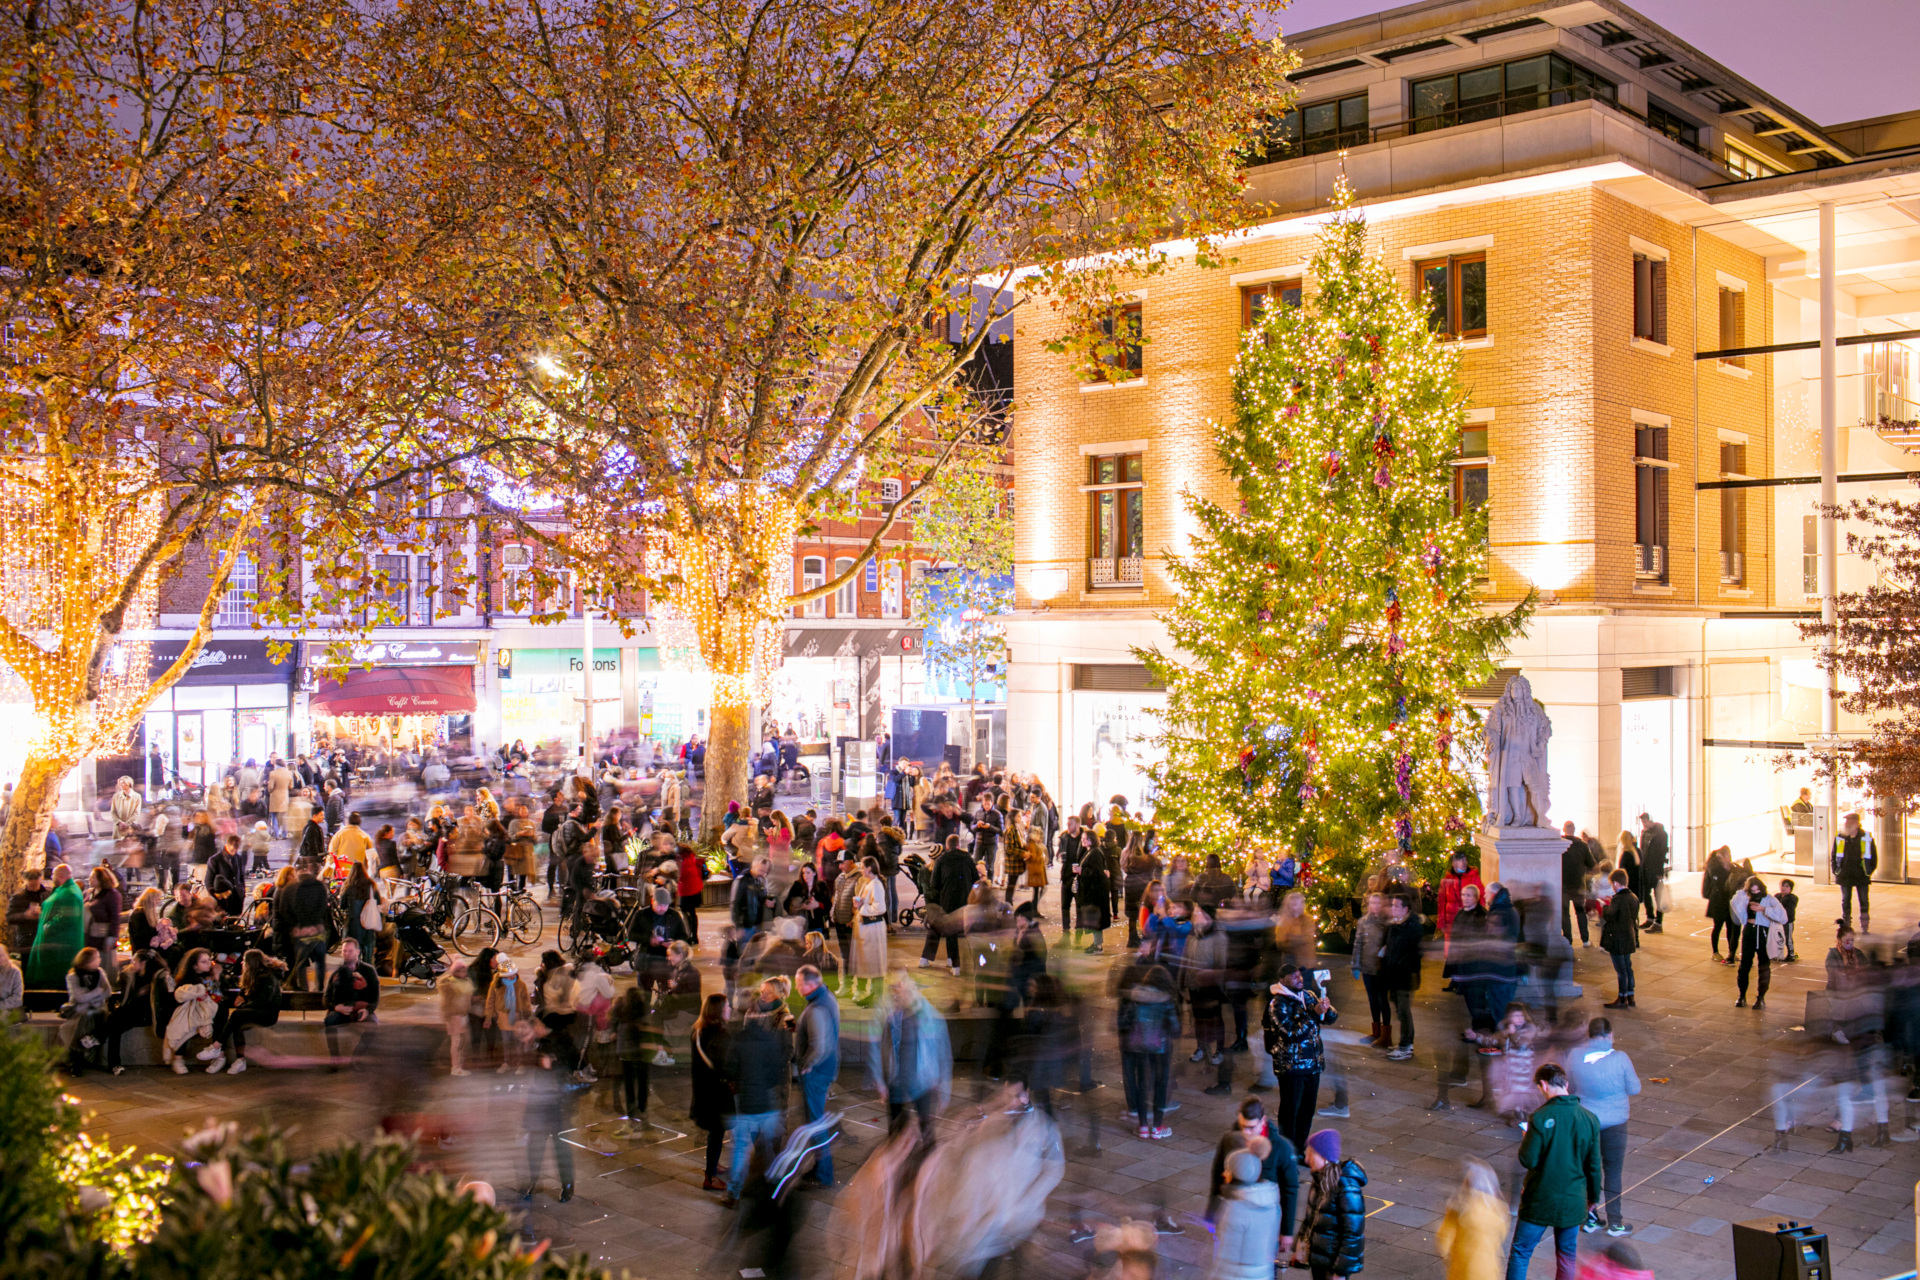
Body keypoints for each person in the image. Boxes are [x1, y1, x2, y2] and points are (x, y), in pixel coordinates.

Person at [1507, 1063, 1603, 1280]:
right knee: (1567, 1255)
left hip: (1540, 1197)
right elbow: (1594, 1166)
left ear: (1543, 1084)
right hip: (1573, 1198)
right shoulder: (1589, 1119)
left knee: (1521, 1252)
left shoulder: (1540, 1117)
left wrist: (1526, 1139)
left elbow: (1528, 1159)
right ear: (1566, 1083)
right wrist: (1593, 1197)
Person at [1565, 1017, 1640, 1238]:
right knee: (1613, 1172)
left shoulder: (1576, 1056)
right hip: (1615, 1122)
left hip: (1586, 1120)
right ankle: (1615, 1222)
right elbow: (1634, 1088)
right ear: (1609, 1035)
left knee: (1589, 1169)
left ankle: (1590, 1218)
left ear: (1589, 1035)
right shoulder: (1620, 1059)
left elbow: (1569, 1085)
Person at [722, 979, 793, 1208]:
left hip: (765, 1087)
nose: (763, 996)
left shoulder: (787, 1017)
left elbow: (789, 1050)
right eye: (761, 992)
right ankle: (771, 1184)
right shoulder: (752, 1014)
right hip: (764, 1087)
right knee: (763, 1140)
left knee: (755, 1143)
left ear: (779, 994)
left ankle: (745, 1188)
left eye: (768, 993)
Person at [1208, 1096, 1300, 1256]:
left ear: (1262, 1121)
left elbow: (1290, 1189)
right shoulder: (1229, 1141)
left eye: (1251, 1127)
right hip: (1234, 1217)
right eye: (1242, 1126)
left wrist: (1286, 1231)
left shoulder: (1280, 1148)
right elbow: (1217, 1176)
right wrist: (1212, 1212)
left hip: (1264, 1222)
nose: (1245, 1133)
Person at [1264, 960, 1337, 1155]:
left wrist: (1326, 1009)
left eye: (1300, 975)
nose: (1300, 979)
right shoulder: (1277, 1003)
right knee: (1290, 1112)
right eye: (1294, 976)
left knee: (1307, 1111)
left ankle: (1301, 1148)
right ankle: (1288, 1153)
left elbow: (1330, 1018)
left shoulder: (1309, 995)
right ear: (1282, 979)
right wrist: (1314, 1015)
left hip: (1312, 1064)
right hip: (1291, 1067)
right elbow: (1291, 1034)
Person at [872, 969, 951, 1138]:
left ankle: (927, 1160)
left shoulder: (928, 1017)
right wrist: (880, 1080)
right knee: (895, 1130)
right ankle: (898, 1157)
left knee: (926, 1130)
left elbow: (943, 1054)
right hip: (896, 1081)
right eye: (892, 989)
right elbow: (883, 1049)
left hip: (922, 1082)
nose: (895, 995)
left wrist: (943, 1089)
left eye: (899, 989)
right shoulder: (892, 1018)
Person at [1117, 949, 1180, 1140]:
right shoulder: (1166, 1000)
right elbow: (1175, 1027)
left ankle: (1143, 1126)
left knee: (1142, 1082)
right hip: (1160, 1047)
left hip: (1138, 1045)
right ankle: (1158, 1127)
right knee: (1160, 1083)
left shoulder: (1134, 997)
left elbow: (1123, 1022)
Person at [1292, 1129, 1366, 1280]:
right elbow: (1310, 1219)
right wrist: (1300, 1248)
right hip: (1320, 1260)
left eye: (1311, 1154)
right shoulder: (1320, 1179)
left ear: (1324, 1156)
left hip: (1333, 1266)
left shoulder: (1346, 1187)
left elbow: (1353, 1234)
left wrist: (1340, 1271)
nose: (1306, 1159)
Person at [794, 964, 841, 1186]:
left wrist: (805, 1064)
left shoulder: (815, 1009)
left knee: (815, 1124)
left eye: (799, 983)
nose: (796, 987)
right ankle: (822, 1169)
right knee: (816, 1121)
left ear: (811, 984)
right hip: (827, 1069)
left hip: (816, 1073)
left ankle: (824, 1174)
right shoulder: (827, 997)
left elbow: (819, 1046)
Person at [1208, 1147, 1282, 1280]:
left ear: (1235, 1173)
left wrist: (1215, 1276)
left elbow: (1228, 1254)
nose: (1224, 1173)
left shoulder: (1235, 1208)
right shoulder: (1272, 1202)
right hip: (1264, 1273)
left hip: (1237, 1275)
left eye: (1228, 1169)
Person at [210, 948, 286, 1075]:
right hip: (256, 1010)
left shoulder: (268, 977)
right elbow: (246, 988)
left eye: (245, 961)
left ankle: (217, 1046)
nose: (242, 963)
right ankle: (240, 1060)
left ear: (252, 963)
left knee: (236, 1015)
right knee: (237, 1023)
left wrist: (244, 1006)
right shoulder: (256, 974)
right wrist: (241, 995)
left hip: (267, 1014)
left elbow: (263, 1001)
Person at [522, 1042, 578, 1203]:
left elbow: (569, 1094)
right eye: (542, 1057)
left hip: (558, 1116)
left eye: (546, 1057)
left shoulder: (562, 1073)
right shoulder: (537, 1071)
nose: (543, 1060)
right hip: (540, 1115)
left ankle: (567, 1184)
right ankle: (534, 1181)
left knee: (561, 1150)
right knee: (534, 1149)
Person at [690, 993, 735, 1191]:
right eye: (727, 1007)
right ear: (718, 1011)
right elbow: (723, 1065)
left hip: (703, 1089)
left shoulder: (699, 1030)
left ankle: (713, 1164)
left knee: (714, 1132)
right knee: (717, 1132)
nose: (730, 1009)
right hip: (716, 1091)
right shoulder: (719, 1035)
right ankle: (711, 1177)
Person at [1436, 1158, 1508, 1280]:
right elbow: (1501, 1234)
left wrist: (1447, 1254)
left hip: (1462, 1269)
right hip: (1487, 1270)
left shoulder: (1458, 1208)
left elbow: (1444, 1236)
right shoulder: (1497, 1209)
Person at [921, 835, 977, 974]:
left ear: (946, 846)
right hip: (966, 900)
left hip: (947, 899)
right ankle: (958, 962)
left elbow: (934, 884)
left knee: (950, 930)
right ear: (958, 845)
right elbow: (975, 878)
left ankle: (954, 965)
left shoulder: (941, 860)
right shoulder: (967, 859)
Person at [1731, 875, 1788, 1010]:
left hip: (1763, 933)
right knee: (1745, 965)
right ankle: (1742, 995)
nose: (1756, 894)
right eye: (1753, 891)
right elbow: (1735, 901)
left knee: (1764, 966)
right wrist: (1745, 895)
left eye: (1758, 891)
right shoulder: (1744, 898)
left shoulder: (1769, 900)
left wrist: (1763, 909)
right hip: (1749, 932)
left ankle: (1761, 997)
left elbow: (1783, 917)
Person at [322, 937, 380, 1063]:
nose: (347, 954)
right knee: (329, 1021)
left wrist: (368, 1010)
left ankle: (356, 1057)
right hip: (342, 1010)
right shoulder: (337, 973)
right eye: (344, 951)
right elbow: (326, 998)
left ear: (357, 952)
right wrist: (335, 1007)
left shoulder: (368, 971)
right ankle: (335, 1057)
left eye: (350, 951)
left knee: (373, 1025)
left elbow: (375, 997)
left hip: (361, 1009)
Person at [25, 864, 84, 988]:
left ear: (60, 876)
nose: (51, 878)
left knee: (54, 979)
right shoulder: (63, 889)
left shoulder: (70, 893)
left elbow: (67, 918)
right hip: (54, 942)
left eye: (53, 875)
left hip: (59, 945)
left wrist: (48, 927)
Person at [1380, 893, 1422, 1061]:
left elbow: (1413, 953)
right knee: (1399, 1010)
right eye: (1392, 905)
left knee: (1404, 1011)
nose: (1392, 908)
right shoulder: (1394, 925)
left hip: (1405, 976)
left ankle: (1406, 1046)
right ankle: (1404, 1043)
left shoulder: (1412, 926)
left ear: (1405, 909)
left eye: (1396, 906)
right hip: (1394, 975)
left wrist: (1399, 965)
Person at [62, 946, 111, 1075]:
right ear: (88, 961)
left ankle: (87, 1054)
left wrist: (90, 997)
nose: (99, 960)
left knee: (100, 1018)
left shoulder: (100, 973)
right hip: (81, 1011)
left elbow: (107, 991)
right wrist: (96, 992)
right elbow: (78, 997)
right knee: (81, 1025)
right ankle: (76, 1063)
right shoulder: (73, 976)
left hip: (98, 1008)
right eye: (96, 958)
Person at [849, 857, 890, 1001]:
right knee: (866, 960)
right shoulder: (869, 883)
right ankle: (867, 991)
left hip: (872, 929)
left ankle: (875, 992)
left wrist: (862, 908)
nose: (860, 870)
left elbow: (880, 907)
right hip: (866, 929)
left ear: (869, 868)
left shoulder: (876, 885)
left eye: (862, 867)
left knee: (872, 961)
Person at [1598, 869, 1639, 1010]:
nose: (1612, 887)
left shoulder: (1618, 899)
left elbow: (1610, 916)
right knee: (1628, 967)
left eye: (1612, 884)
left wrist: (1604, 907)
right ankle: (1630, 996)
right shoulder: (1633, 897)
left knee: (1621, 970)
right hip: (1629, 937)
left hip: (1617, 939)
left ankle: (1621, 998)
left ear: (1616, 883)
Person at [1831, 811, 1877, 932]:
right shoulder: (1840, 837)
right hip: (1845, 875)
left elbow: (1874, 857)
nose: (1847, 824)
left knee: (1864, 901)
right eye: (1846, 822)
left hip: (1861, 876)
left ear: (1857, 823)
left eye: (1850, 822)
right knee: (1845, 902)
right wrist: (1836, 870)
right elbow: (1834, 855)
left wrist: (1868, 871)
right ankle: (1847, 926)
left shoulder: (1866, 837)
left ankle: (1864, 926)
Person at [84, 865, 124, 981]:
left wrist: (111, 938)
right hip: (89, 935)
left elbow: (115, 918)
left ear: (102, 880)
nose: (90, 880)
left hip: (102, 937)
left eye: (93, 878)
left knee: (104, 964)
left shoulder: (112, 895)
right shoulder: (90, 893)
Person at [1558, 821, 1594, 947]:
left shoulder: (1558, 844)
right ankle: (1585, 940)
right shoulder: (1582, 845)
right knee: (1580, 912)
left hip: (1562, 885)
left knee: (1564, 913)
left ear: (1564, 829)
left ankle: (1568, 940)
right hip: (1578, 884)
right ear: (1574, 829)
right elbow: (1591, 864)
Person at [1437, 849, 1484, 940]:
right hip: (1451, 922)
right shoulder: (1446, 880)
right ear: (1454, 863)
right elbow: (1441, 902)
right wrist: (1441, 923)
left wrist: (1478, 916)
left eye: (1465, 860)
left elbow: (1481, 896)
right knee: (1451, 949)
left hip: (1469, 920)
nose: (1465, 862)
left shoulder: (1473, 877)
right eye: (1461, 860)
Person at [438, 959, 474, 1076]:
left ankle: (459, 1065)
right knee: (457, 1042)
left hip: (463, 1015)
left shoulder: (466, 983)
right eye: (461, 970)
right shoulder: (450, 985)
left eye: (465, 970)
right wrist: (448, 1015)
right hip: (455, 1016)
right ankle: (455, 1067)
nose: (464, 972)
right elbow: (447, 1003)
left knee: (464, 1040)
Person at [1701, 847, 1737, 963]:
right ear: (1722, 855)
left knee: (1730, 927)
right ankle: (1715, 952)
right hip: (1717, 901)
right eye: (1728, 855)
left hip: (1728, 900)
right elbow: (1719, 880)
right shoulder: (1714, 865)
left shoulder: (1729, 865)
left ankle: (1731, 952)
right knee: (1718, 926)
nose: (1730, 857)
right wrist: (1726, 868)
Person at [7, 865, 50, 954]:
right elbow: (10, 918)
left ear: (40, 879)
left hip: (44, 937)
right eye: (31, 885)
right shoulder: (18, 897)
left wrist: (43, 914)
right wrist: (25, 915)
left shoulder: (48, 894)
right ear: (26, 881)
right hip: (26, 939)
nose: (34, 888)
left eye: (36, 885)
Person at [1635, 814, 1667, 932]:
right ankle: (1650, 917)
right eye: (1643, 823)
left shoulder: (1661, 834)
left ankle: (1658, 922)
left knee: (1658, 895)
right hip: (1645, 868)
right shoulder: (1644, 832)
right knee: (1645, 894)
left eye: (1645, 822)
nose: (1644, 825)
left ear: (1650, 820)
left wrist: (1659, 871)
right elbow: (1642, 849)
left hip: (1655, 869)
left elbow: (1662, 853)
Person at [1777, 878, 1800, 963]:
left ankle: (1791, 954)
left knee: (1788, 938)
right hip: (1778, 922)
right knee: (1778, 937)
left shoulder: (1792, 898)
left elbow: (1788, 909)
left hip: (1788, 922)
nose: (1784, 888)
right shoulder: (1777, 896)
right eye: (1783, 885)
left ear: (1790, 889)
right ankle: (1778, 953)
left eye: (1787, 886)